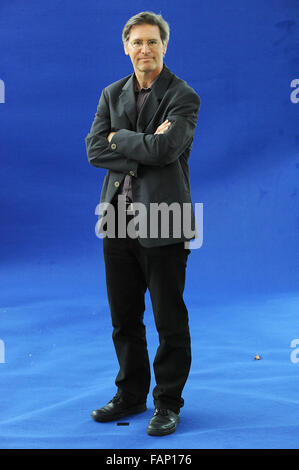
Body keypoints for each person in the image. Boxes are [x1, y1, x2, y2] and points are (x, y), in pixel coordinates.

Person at [85, 11, 200, 436]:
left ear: (164, 46)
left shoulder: (183, 95)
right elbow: (94, 149)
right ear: (126, 47)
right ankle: (130, 394)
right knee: (124, 317)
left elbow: (168, 149)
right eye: (137, 42)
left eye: (152, 42)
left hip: (164, 219)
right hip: (116, 219)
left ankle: (167, 402)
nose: (144, 50)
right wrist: (141, 144)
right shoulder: (111, 93)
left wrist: (121, 138)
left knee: (169, 319)